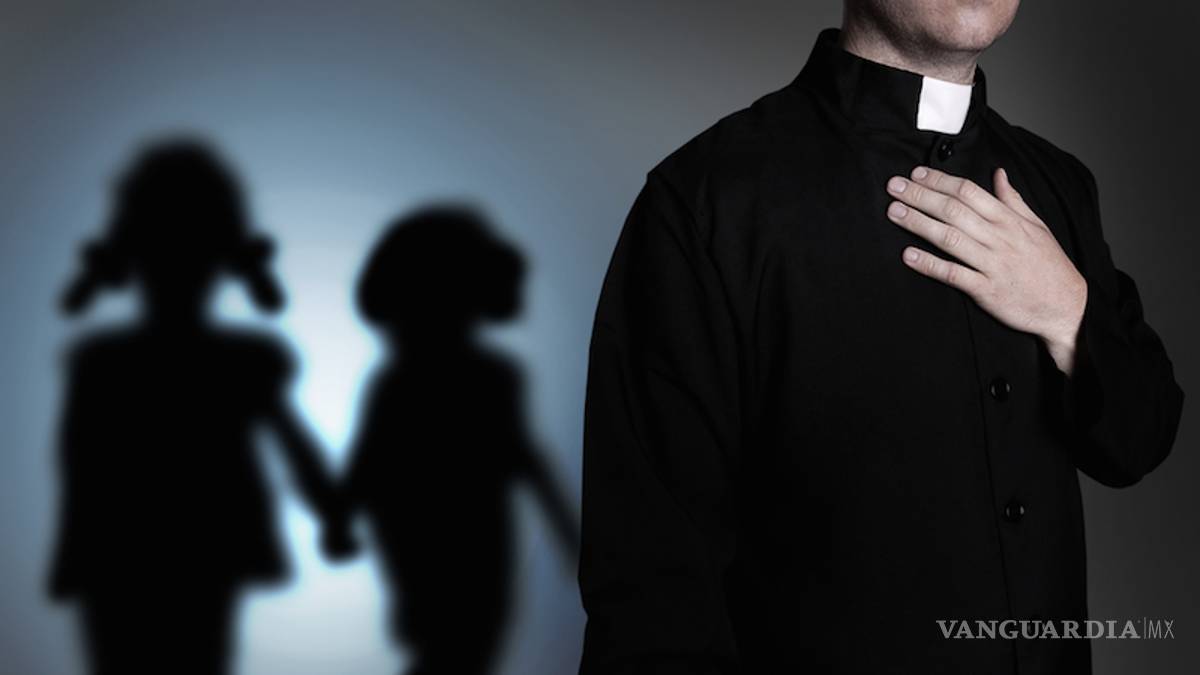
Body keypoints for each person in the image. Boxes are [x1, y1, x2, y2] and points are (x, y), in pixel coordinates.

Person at [578, 2, 1184, 674]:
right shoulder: (705, 201)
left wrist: (1068, 311)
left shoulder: (1059, 183)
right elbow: (651, 596)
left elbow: (1141, 442)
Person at [48, 139, 350, 675]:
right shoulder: (233, 361)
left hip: (129, 556)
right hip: (171, 552)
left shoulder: (104, 363)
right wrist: (331, 514)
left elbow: (78, 462)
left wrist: (332, 512)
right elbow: (78, 462)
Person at [339, 206, 578, 675]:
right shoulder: (421, 383)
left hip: (468, 537)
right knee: (454, 649)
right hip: (437, 538)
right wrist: (568, 532)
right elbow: (371, 459)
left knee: (462, 650)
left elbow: (524, 457)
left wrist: (568, 532)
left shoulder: (489, 377)